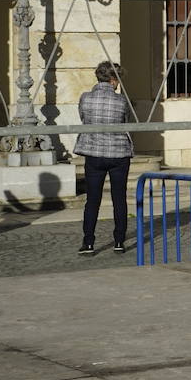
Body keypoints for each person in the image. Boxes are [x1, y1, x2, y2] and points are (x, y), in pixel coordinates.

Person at [74, 61, 134, 255]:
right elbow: (126, 122)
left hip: (94, 153)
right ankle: (119, 242)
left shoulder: (85, 98)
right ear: (113, 79)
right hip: (119, 154)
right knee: (119, 199)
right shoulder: (122, 101)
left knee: (92, 200)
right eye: (118, 80)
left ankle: (88, 243)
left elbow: (83, 118)